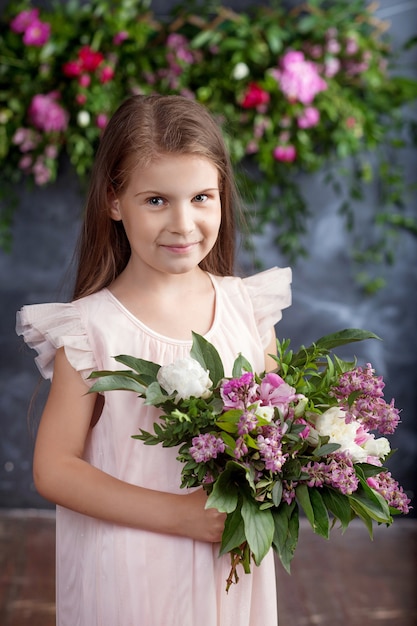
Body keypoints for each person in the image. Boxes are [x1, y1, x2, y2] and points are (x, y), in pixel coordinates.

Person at [16, 94, 292, 626]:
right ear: (114, 201)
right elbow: (54, 468)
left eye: (202, 197)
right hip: (130, 569)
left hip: (227, 566)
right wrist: (182, 517)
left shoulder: (248, 309)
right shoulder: (90, 328)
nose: (184, 224)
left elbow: (275, 428)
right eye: (157, 201)